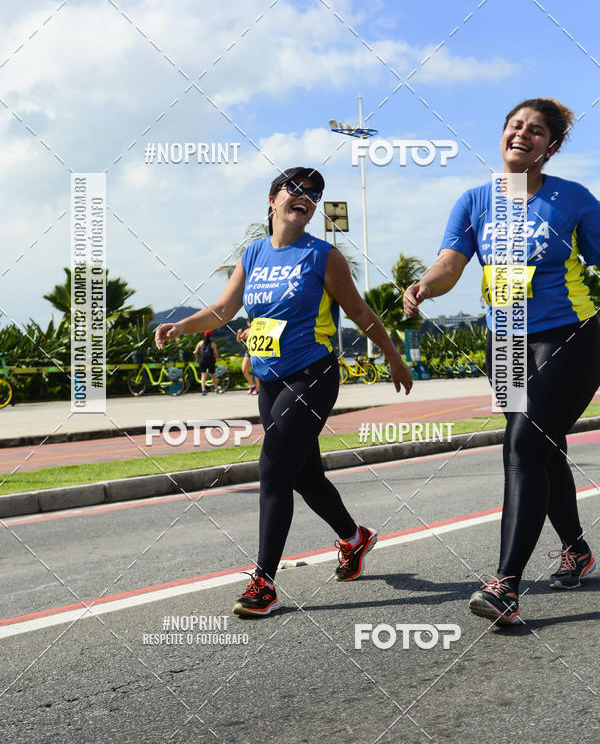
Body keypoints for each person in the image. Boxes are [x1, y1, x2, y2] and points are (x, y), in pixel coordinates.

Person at [156, 165, 413, 617]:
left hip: (311, 374)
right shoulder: (253, 255)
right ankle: (355, 538)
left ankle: (265, 583)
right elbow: (223, 308)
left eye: (313, 193)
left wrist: (393, 355)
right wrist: (181, 326)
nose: (306, 196)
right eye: (295, 188)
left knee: (273, 466)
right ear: (272, 201)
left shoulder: (322, 257)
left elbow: (357, 310)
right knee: (304, 476)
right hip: (269, 380)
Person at [404, 98, 600, 626]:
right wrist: (426, 285)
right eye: (515, 125)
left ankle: (505, 586)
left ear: (551, 147)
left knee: (522, 444)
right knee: (542, 445)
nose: (522, 135)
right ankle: (577, 548)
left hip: (571, 336)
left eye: (536, 131)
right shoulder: (475, 201)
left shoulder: (574, 200)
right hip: (507, 342)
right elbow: (450, 263)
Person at [193, 331, 221, 395]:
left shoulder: (200, 343)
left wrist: (197, 359)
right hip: (210, 361)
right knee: (213, 376)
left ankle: (203, 390)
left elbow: (196, 352)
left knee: (203, 375)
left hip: (202, 361)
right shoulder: (212, 344)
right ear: (211, 336)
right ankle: (216, 388)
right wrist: (217, 358)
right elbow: (215, 353)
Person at [236, 320, 259, 394]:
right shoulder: (246, 331)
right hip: (248, 352)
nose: (250, 323)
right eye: (249, 321)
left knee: (255, 371)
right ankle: (252, 385)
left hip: (256, 353)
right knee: (244, 369)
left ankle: (257, 388)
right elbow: (239, 340)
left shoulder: (258, 329)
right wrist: (239, 334)